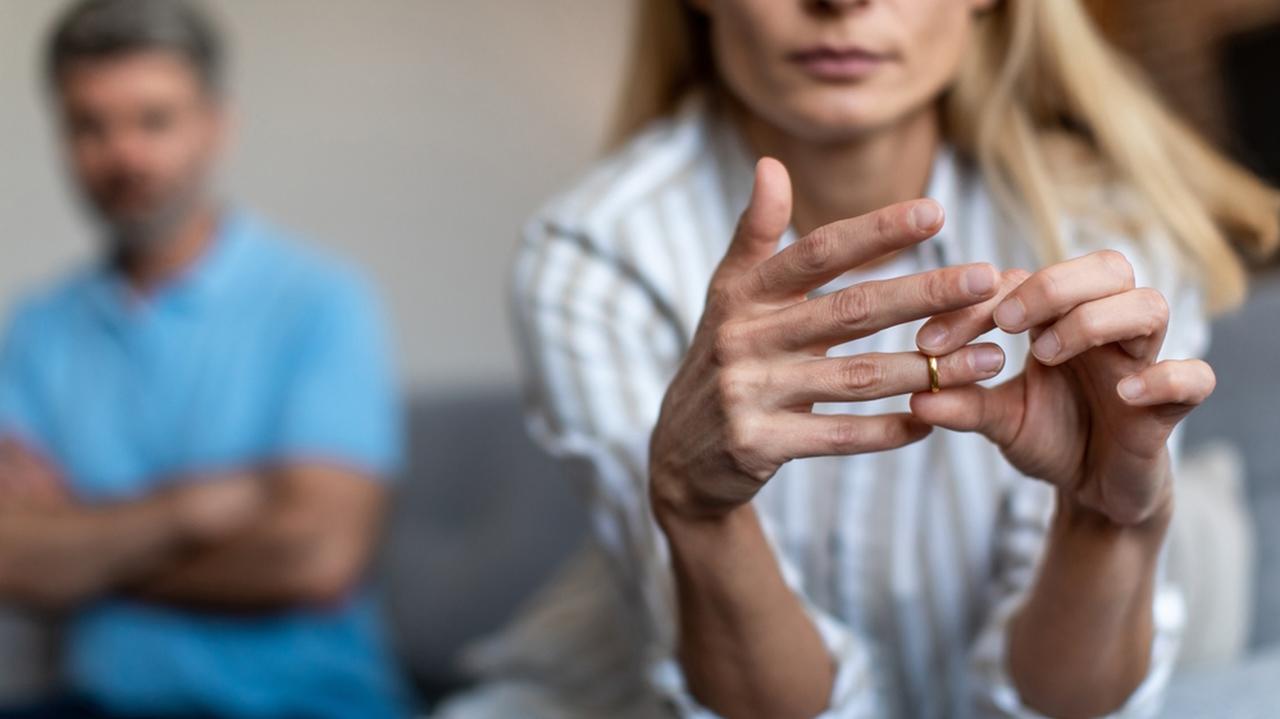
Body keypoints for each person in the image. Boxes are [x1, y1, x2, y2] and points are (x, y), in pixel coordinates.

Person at [439, 1, 1280, 718]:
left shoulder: (1109, 234)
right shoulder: (594, 256)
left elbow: (1057, 705)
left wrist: (1104, 525)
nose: (842, 0)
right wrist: (697, 513)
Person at [0, 1, 409, 717]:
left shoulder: (320, 302)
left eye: (154, 120)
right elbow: (10, 556)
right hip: (98, 706)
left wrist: (81, 554)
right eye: (90, 126)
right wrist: (191, 510)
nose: (125, 156)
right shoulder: (37, 329)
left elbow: (316, 556)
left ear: (216, 125)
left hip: (304, 705)